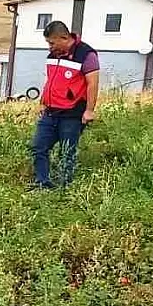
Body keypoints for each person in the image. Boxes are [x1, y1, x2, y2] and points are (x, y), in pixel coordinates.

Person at [32, 20, 99, 189]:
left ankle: (65, 187)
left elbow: (93, 83)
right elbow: (50, 81)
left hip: (72, 114)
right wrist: (42, 102)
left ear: (64, 37)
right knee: (39, 147)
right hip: (50, 112)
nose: (49, 47)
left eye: (52, 42)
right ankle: (42, 184)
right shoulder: (53, 56)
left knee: (67, 151)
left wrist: (89, 110)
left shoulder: (86, 55)